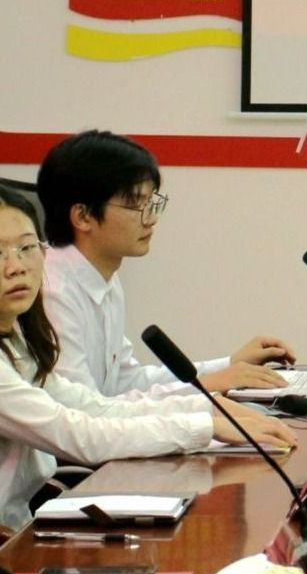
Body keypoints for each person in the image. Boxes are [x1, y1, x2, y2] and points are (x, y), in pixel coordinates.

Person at [0, 186, 296, 536]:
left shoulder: (18, 340)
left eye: (26, 248)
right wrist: (205, 426)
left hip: (23, 522)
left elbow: (95, 407)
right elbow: (78, 434)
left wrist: (206, 410)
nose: (15, 267)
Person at [37, 130, 293, 396]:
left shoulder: (103, 278)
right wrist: (207, 387)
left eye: (153, 203)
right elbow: (84, 408)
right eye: (137, 205)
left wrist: (229, 365)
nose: (151, 219)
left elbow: (126, 381)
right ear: (83, 216)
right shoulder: (53, 292)